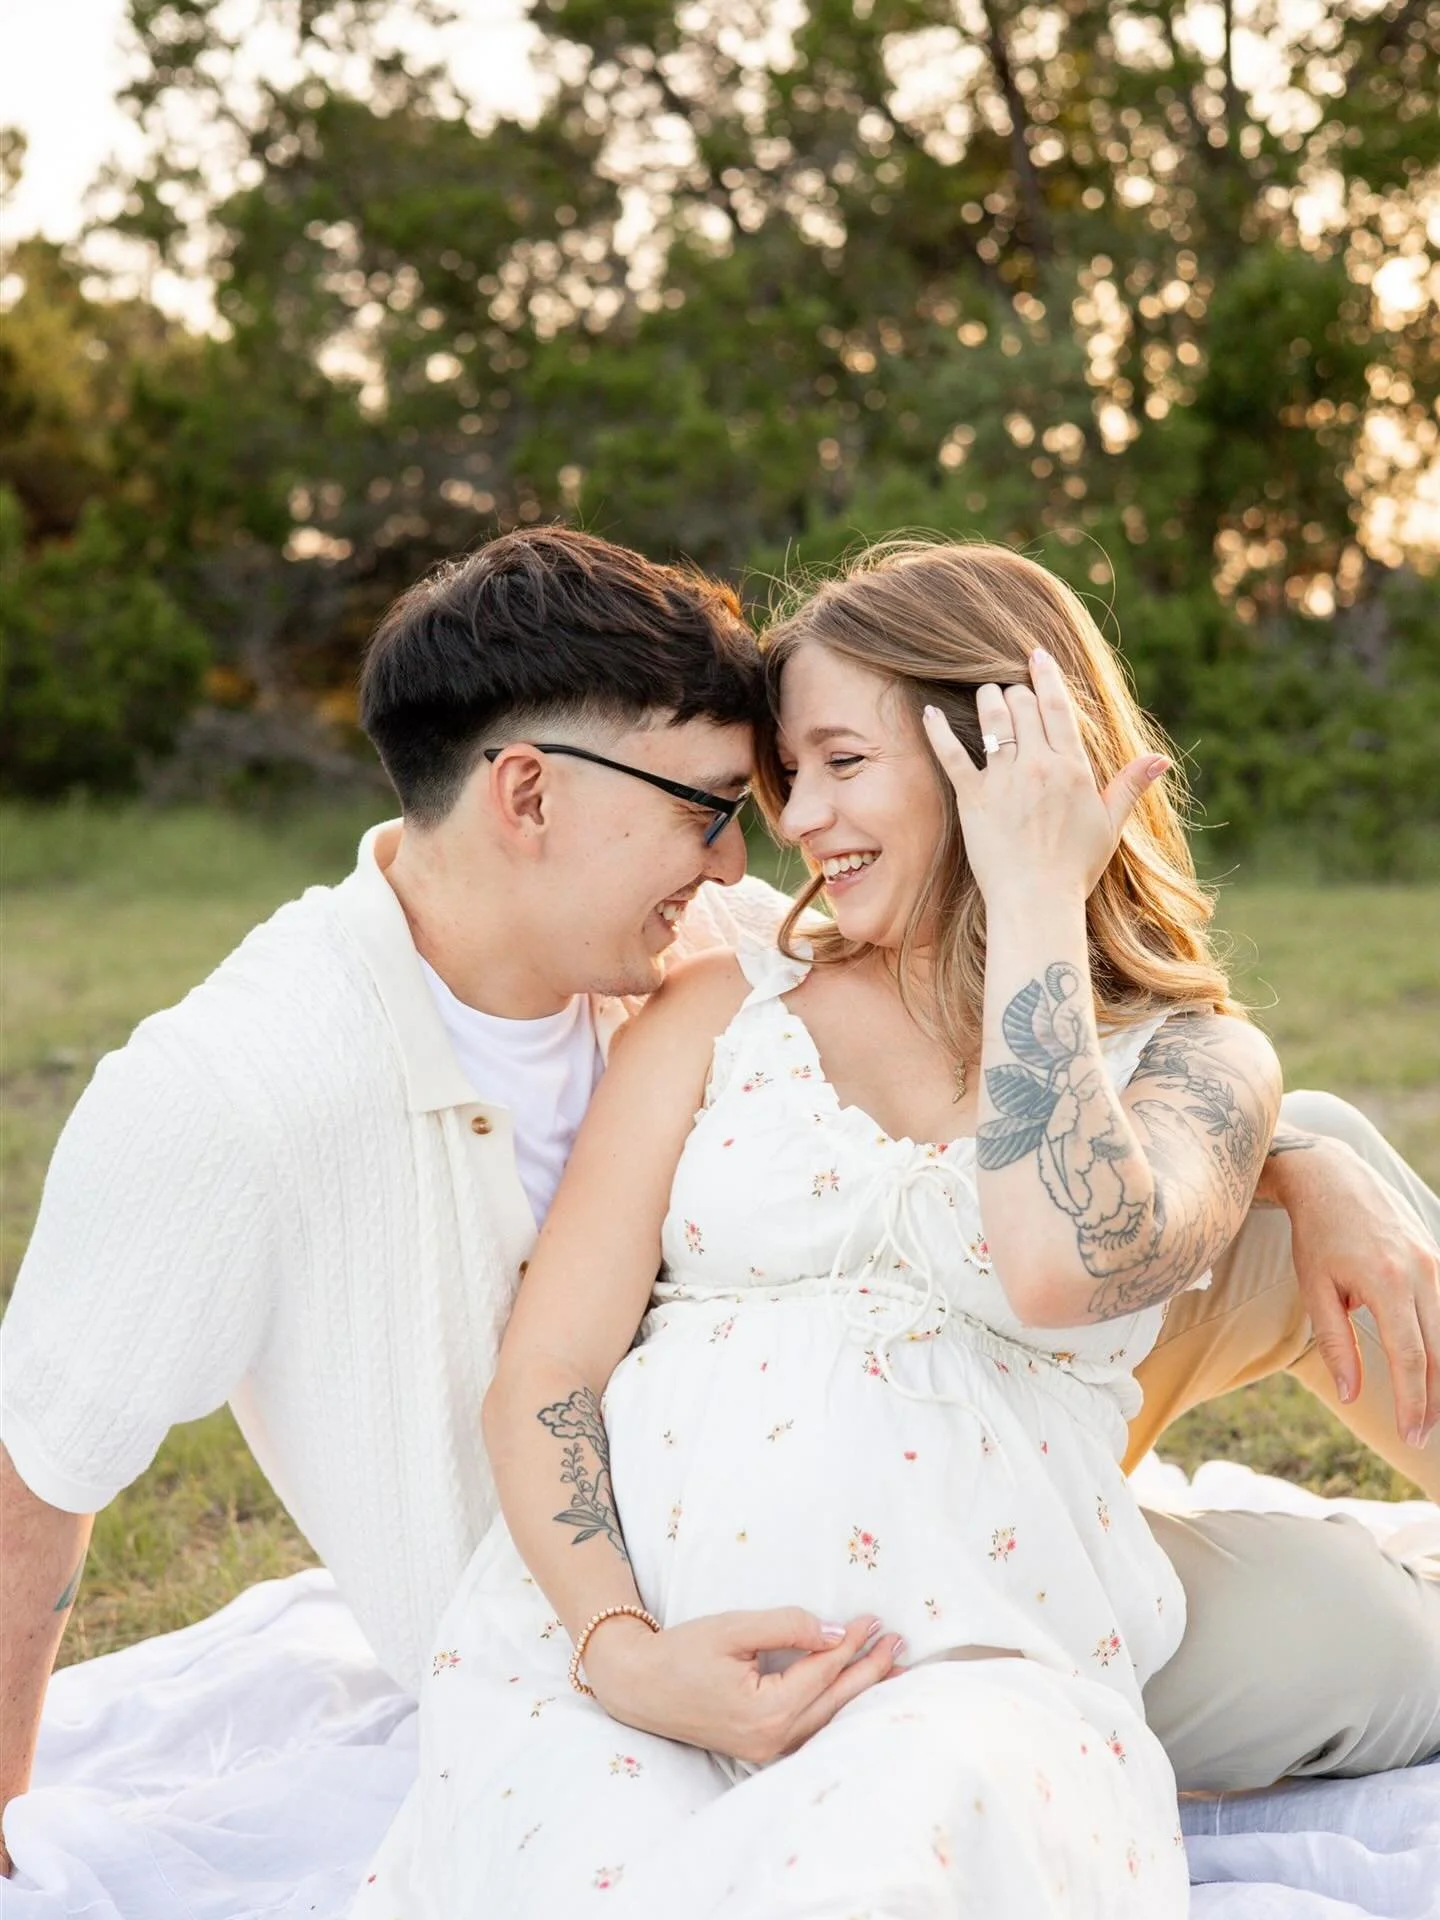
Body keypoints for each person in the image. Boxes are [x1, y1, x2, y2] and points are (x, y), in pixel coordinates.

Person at [1, 532, 1437, 1881]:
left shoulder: (720, 940)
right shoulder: (253, 1090)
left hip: (1010, 1517)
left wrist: (1303, 1155)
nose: (761, 848)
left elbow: (1080, 1231)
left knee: (1376, 1621)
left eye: (815, 775)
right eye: (718, 804)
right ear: (525, 796)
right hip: (680, 1603)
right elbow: (42, 1484)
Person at [336, 541, 1304, 1912]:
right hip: (642, 1680)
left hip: (962, 1684)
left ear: (997, 752)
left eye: (844, 764)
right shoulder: (719, 1009)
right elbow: (547, 1373)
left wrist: (1031, 901)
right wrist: (623, 1652)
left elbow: (1055, 1263)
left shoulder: (1197, 1061)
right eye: (794, 781)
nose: (804, 823)